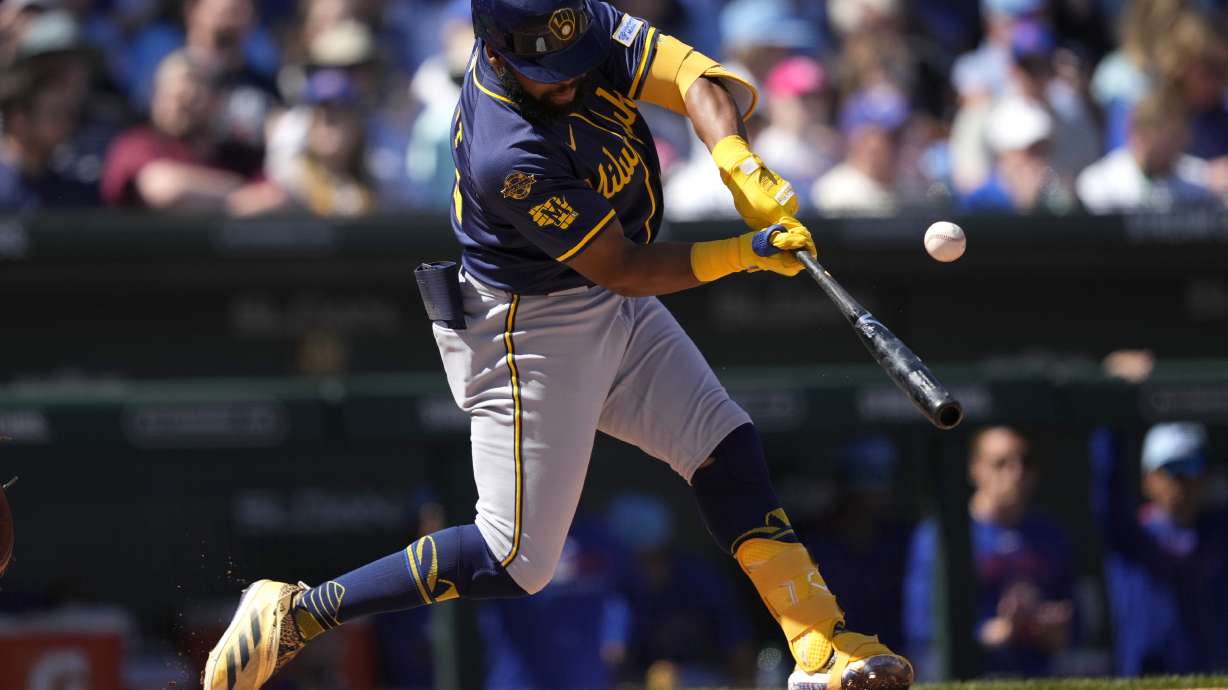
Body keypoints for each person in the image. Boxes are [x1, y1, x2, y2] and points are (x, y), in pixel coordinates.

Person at [200, 3, 914, 690]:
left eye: (574, 56)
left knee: (722, 443)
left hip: (604, 297)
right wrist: (745, 252)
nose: (569, 76)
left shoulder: (574, 26)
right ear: (500, 51)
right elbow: (623, 269)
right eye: (548, 68)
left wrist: (734, 159)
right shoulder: (504, 151)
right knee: (514, 560)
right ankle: (299, 612)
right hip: (528, 327)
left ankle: (817, 642)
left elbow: (699, 80)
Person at [905, 427, 1075, 680]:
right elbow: (922, 629)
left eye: (1024, 462)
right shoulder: (939, 535)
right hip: (969, 676)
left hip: (1038, 674)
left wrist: (1049, 625)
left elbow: (1076, 618)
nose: (1016, 473)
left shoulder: (1049, 534)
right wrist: (995, 632)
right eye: (1001, 463)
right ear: (976, 469)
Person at [1091, 423, 1228, 675]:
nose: (1180, 482)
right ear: (1148, 480)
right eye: (1170, 469)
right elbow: (1107, 487)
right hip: (1146, 676)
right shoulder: (1132, 538)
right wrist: (1110, 417)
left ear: (1204, 476)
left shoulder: (1217, 534)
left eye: (1190, 468)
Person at [100, 50, 275, 211]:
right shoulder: (136, 144)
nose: (177, 107)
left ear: (217, 101)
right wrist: (242, 197)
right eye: (169, 96)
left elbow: (275, 197)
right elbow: (165, 188)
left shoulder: (236, 155)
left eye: (191, 98)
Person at [1076, 91, 1219, 212]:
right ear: (1139, 135)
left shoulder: (1198, 177)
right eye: (1168, 137)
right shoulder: (1100, 181)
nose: (1176, 145)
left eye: (1179, 136)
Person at [0, 60, 98, 209]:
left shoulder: (72, 190)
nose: (66, 125)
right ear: (19, 122)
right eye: (54, 115)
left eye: (69, 115)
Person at [811, 85, 909, 215]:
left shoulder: (911, 186)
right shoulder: (835, 191)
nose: (877, 143)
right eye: (868, 134)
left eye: (890, 135)